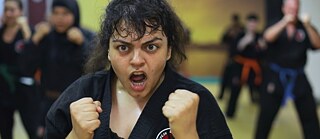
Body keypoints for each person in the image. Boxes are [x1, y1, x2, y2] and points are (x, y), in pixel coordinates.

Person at [45, 0, 233, 138]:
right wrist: (75, 137)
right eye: (123, 47)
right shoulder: (83, 93)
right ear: (108, 52)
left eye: (151, 47)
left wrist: (188, 135)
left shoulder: (198, 102)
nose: (137, 60)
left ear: (168, 50)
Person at [21, 0, 95, 137]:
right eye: (55, 13)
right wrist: (34, 40)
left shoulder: (87, 36)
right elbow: (26, 68)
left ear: (75, 14)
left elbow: (97, 69)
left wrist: (82, 45)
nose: (60, 18)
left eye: (65, 13)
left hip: (77, 105)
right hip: (47, 104)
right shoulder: (46, 36)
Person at [255, 0, 320, 138]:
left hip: (298, 76)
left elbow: (317, 44)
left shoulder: (304, 27)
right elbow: (267, 37)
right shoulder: (276, 23)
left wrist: (308, 26)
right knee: (265, 117)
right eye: (290, 7)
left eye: (296, 8)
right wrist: (285, 22)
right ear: (284, 8)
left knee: (310, 117)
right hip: (275, 76)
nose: (293, 11)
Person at [0, 0, 40, 139]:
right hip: (4, 92)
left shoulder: (28, 31)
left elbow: (33, 55)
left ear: (21, 12)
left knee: (33, 131)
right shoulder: (1, 31)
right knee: (5, 132)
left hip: (25, 91)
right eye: (6, 10)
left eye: (12, 10)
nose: (8, 14)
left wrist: (25, 30)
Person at [225, 13, 265, 118]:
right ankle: (230, 113)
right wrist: (244, 42)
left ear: (257, 24)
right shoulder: (240, 35)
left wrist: (262, 47)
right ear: (247, 23)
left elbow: (264, 54)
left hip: (254, 68)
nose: (252, 25)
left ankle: (265, 115)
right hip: (240, 67)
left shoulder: (259, 36)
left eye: (254, 23)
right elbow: (233, 52)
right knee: (235, 90)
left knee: (262, 92)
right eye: (250, 23)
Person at [218, 14, 244, 100]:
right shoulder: (230, 29)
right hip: (231, 57)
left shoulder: (242, 30)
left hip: (241, 59)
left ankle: (253, 98)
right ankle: (221, 94)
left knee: (239, 80)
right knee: (225, 77)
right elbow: (223, 40)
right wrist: (229, 34)